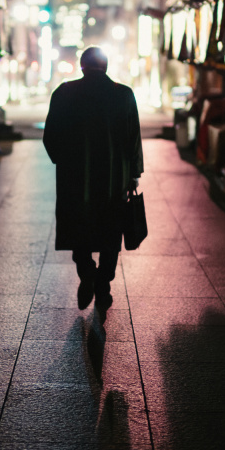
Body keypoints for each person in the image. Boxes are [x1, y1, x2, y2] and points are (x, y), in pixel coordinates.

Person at [43, 46, 143, 316]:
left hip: (75, 181)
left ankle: (87, 271)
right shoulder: (123, 95)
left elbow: (50, 137)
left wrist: (64, 162)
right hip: (114, 180)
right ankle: (103, 285)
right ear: (106, 67)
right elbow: (133, 138)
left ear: (82, 67)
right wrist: (134, 173)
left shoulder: (64, 93)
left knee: (79, 229)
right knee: (111, 233)